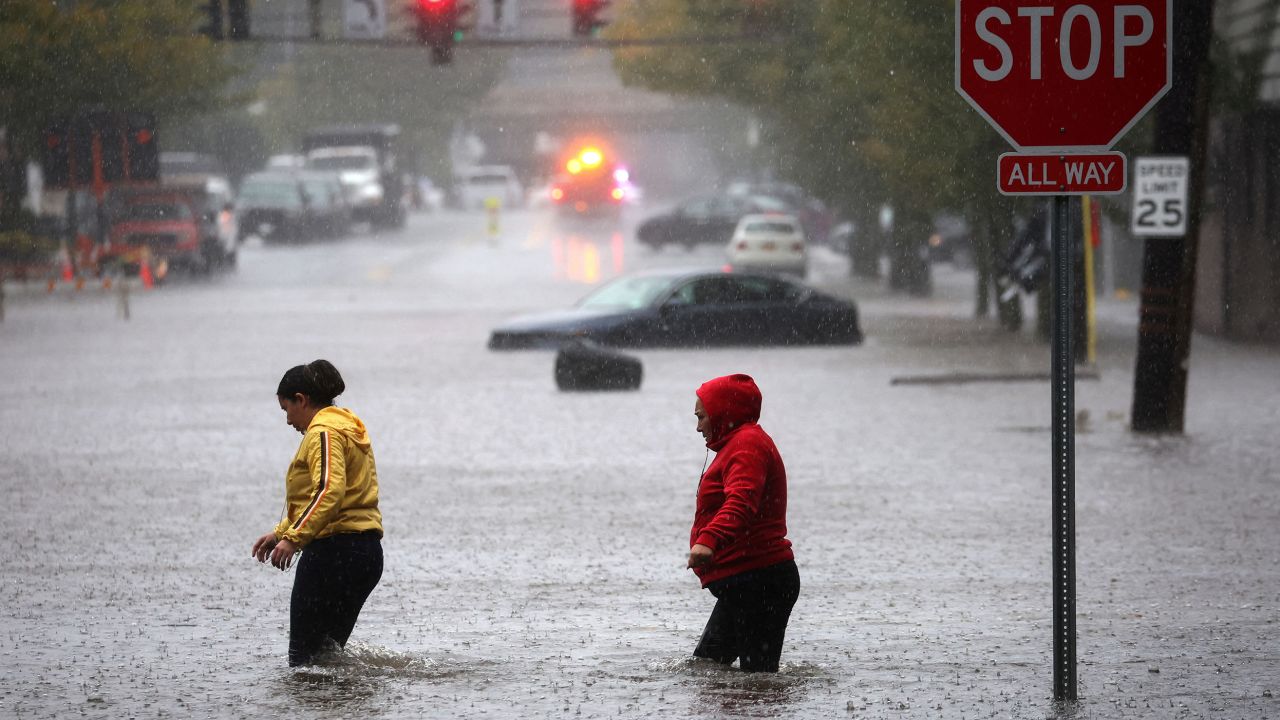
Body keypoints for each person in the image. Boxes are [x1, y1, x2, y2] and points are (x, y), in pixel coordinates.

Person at [251, 360, 384, 667]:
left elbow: (328, 491)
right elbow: (338, 496)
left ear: (302, 399)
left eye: (286, 410)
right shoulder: (349, 426)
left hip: (333, 554)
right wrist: (281, 532)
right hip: (364, 554)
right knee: (326, 659)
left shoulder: (323, 433)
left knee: (303, 663)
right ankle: (347, 710)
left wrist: (294, 539)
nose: (287, 421)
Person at [687, 373, 800, 673]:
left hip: (760, 580)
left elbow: (741, 501)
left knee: (758, 682)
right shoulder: (739, 444)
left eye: (701, 417)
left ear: (723, 411)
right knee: (706, 671)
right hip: (747, 583)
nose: (698, 426)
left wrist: (708, 540)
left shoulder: (747, 445)